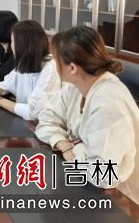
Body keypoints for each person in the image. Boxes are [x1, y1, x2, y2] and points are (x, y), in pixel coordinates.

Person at [35, 26, 139, 204]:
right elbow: (45, 120)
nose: (54, 64)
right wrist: (64, 144)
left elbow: (103, 176)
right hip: (91, 187)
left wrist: (73, 148)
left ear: (72, 68)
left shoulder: (108, 102)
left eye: (56, 59)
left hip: (122, 199)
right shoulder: (76, 87)